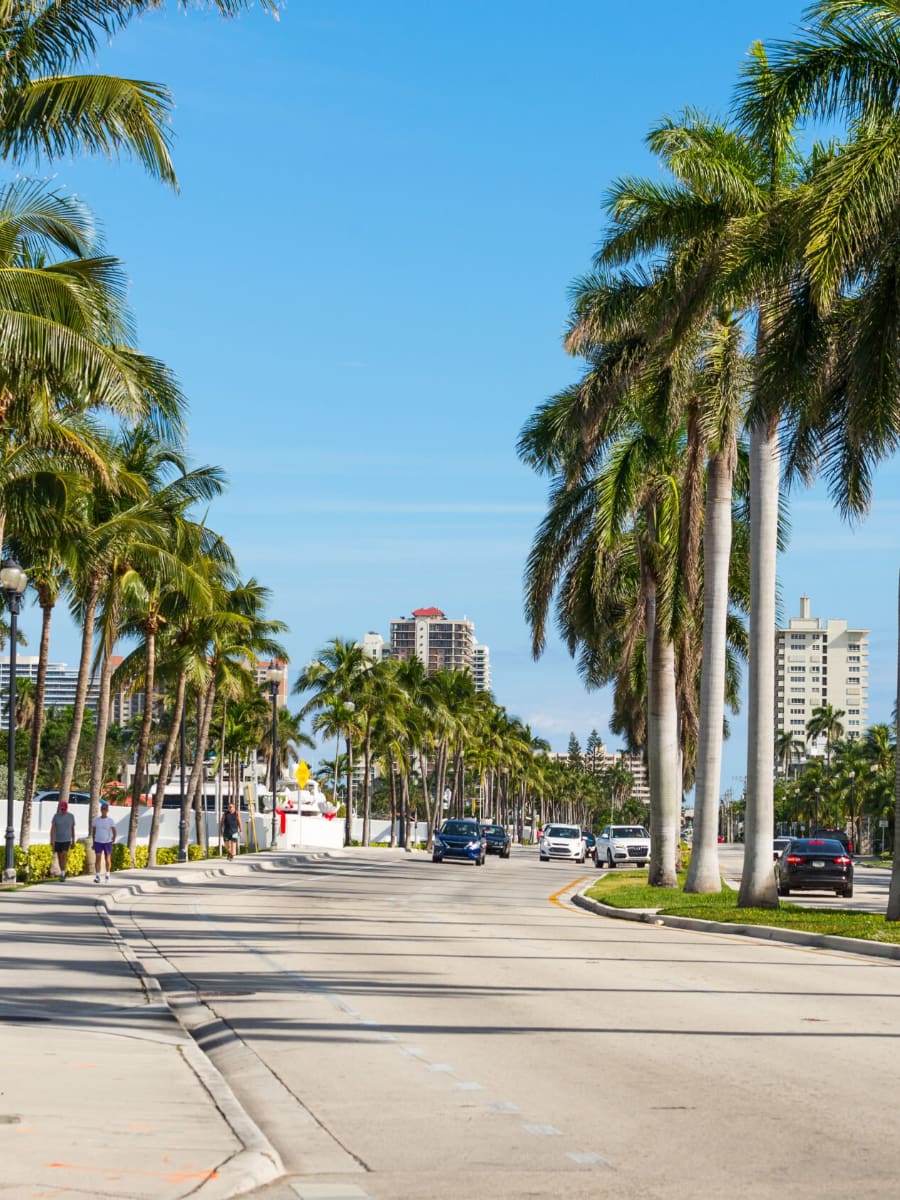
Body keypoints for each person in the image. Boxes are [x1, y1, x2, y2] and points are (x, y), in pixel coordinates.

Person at [50, 800, 76, 881]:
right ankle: (62, 872)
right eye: (62, 809)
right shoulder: (56, 816)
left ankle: (63, 873)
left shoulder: (71, 816)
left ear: (66, 808)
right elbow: (53, 829)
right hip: (58, 840)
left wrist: (73, 840)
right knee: (60, 857)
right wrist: (52, 840)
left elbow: (72, 829)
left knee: (64, 855)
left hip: (66, 839)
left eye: (64, 809)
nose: (63, 810)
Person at [92, 802, 117, 883]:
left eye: (105, 809)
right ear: (101, 810)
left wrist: (113, 839)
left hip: (107, 842)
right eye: (102, 809)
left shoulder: (110, 820)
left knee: (107, 859)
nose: (104, 810)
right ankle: (97, 876)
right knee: (98, 859)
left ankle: (107, 874)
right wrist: (93, 842)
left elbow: (114, 831)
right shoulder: (96, 820)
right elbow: (94, 831)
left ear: (107, 810)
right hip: (98, 842)